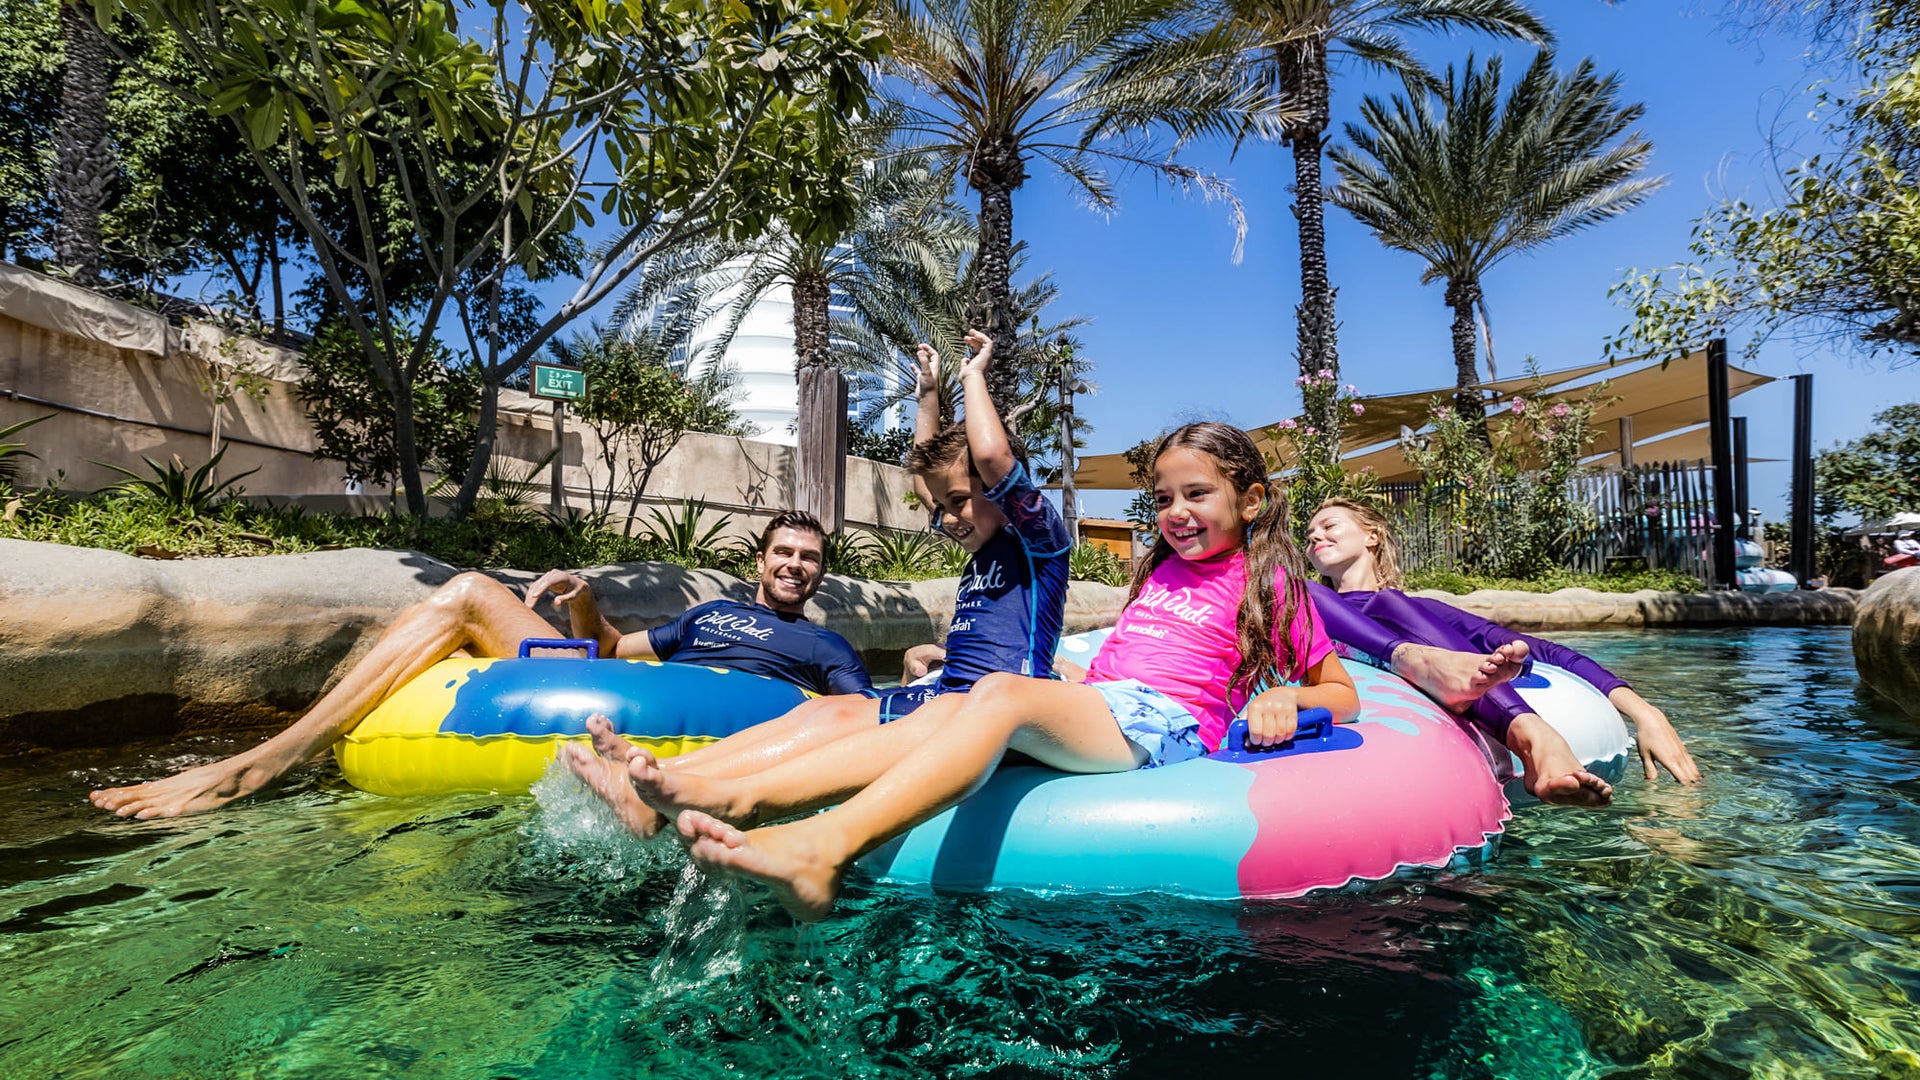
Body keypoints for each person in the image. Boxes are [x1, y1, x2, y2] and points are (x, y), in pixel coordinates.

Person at [580, 422, 1359, 921]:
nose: (1176, 512)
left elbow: (1341, 692)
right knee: (939, 708)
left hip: (1166, 725)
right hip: (1107, 703)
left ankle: (825, 844)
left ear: (1252, 500)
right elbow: (1118, 660)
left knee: (994, 695)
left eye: (1198, 494)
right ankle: (728, 793)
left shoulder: (1270, 582)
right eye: (1162, 498)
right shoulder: (1157, 574)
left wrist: (1288, 696)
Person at [562, 329, 1074, 837]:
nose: (947, 519)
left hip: (989, 720)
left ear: (1008, 494)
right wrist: (928, 397)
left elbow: (989, 460)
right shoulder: (983, 549)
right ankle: (661, 778)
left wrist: (973, 376)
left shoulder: (1037, 542)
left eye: (959, 502)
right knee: (830, 710)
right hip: (947, 697)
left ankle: (688, 801)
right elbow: (929, 478)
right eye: (942, 509)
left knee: (841, 717)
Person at [88, 510, 864, 819]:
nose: (795, 566)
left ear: (820, 574)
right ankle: (262, 763)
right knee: (467, 592)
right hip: (632, 687)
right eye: (784, 553)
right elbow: (611, 654)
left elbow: (863, 724)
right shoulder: (709, 614)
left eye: (809, 559)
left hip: (723, 724)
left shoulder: (826, 648)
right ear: (759, 560)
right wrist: (585, 598)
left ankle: (258, 769)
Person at [1304, 497, 1700, 799]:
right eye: (1309, 535)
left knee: (1391, 602)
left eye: (1328, 525)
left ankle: (1533, 736)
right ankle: (1421, 665)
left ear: (1371, 535)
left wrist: (1646, 714)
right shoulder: (1304, 606)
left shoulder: (1421, 611)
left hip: (1449, 676)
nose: (1315, 536)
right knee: (1305, 590)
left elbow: (1543, 652)